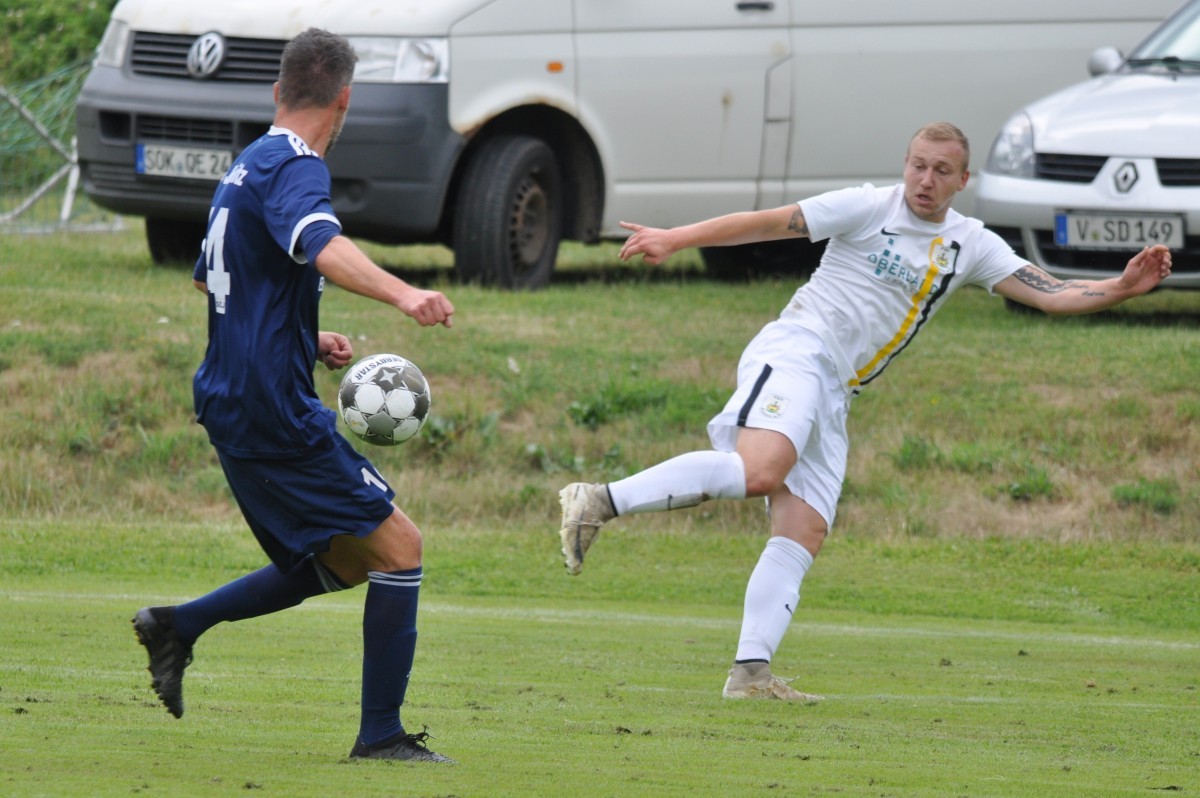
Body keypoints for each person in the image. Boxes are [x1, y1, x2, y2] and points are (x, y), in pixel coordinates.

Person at [556, 122, 1173, 701]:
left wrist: (1119, 288)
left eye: (942, 170)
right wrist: (677, 237)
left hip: (837, 391)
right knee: (760, 471)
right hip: (797, 351)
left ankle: (750, 672)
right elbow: (768, 223)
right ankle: (599, 500)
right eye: (918, 166)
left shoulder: (970, 243)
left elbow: (1050, 292)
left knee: (804, 529)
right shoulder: (865, 207)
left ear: (964, 180)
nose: (925, 180)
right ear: (904, 166)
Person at [131, 28, 456, 761]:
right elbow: (322, 244)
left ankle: (177, 626)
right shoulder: (299, 166)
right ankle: (381, 738)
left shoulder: (246, 166)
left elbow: (212, 279)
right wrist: (405, 294)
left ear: (278, 91)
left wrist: (305, 339)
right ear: (344, 99)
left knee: (346, 560)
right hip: (268, 404)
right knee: (401, 550)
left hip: (238, 392)